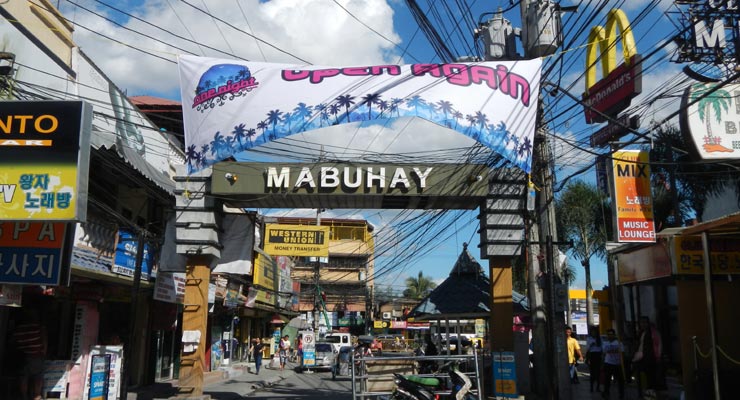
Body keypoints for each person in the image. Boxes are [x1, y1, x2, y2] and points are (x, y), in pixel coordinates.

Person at [12, 309, 47, 400]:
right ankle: (37, 396)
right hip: (37, 356)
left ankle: (24, 397)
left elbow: (16, 342)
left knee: (24, 377)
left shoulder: (19, 328)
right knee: (38, 378)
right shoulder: (38, 326)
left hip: (24, 356)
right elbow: (44, 340)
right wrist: (43, 352)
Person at [632, 316, 661, 397]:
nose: (643, 324)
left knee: (651, 378)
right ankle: (649, 394)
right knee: (648, 378)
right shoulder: (641, 332)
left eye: (645, 322)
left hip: (650, 358)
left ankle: (651, 394)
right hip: (644, 358)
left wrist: (658, 356)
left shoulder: (652, 333)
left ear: (648, 323)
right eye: (642, 323)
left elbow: (658, 345)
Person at [602, 329, 625, 400]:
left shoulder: (618, 343)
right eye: (609, 334)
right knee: (607, 380)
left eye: (611, 334)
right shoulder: (605, 343)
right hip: (608, 363)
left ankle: (621, 394)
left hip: (617, 364)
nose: (610, 336)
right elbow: (604, 352)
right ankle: (606, 393)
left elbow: (622, 352)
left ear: (614, 335)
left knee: (620, 380)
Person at [586, 326, 604, 392]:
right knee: (592, 372)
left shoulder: (600, 338)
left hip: (598, 355)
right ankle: (591, 387)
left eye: (595, 332)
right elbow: (587, 348)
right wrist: (591, 345)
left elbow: (602, 347)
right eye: (592, 332)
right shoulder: (589, 339)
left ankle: (598, 387)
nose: (594, 333)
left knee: (598, 372)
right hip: (592, 355)